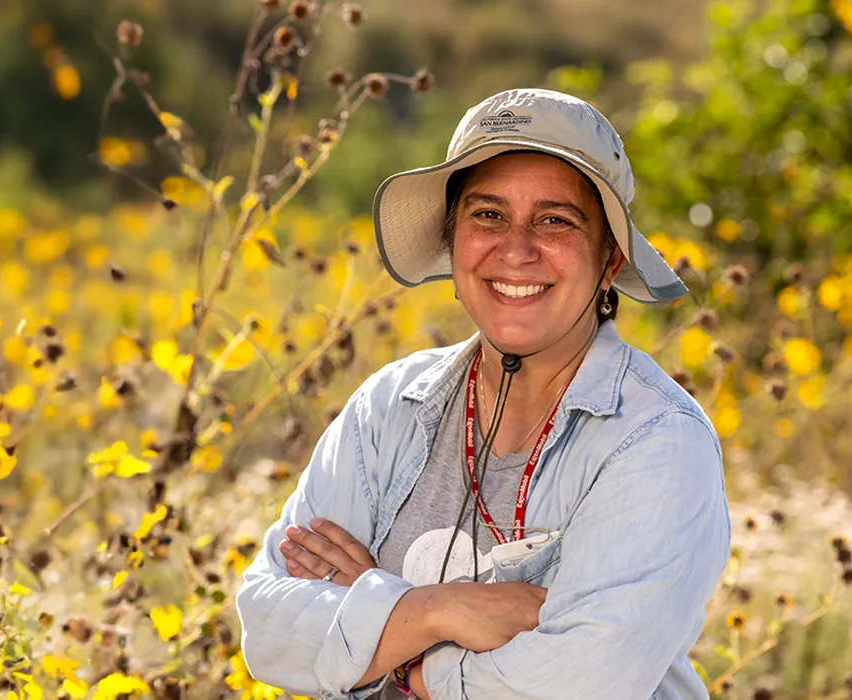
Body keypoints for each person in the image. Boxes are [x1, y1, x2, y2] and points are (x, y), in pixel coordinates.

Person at [235, 88, 731, 700]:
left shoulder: (655, 442)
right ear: (453, 240)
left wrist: (390, 648)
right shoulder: (388, 405)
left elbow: (575, 686)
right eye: (488, 215)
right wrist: (434, 612)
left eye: (556, 220)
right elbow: (265, 625)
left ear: (609, 260)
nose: (516, 249)